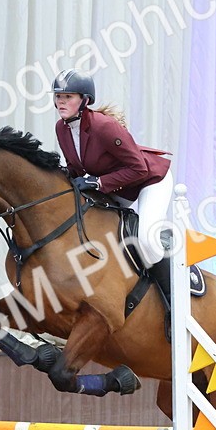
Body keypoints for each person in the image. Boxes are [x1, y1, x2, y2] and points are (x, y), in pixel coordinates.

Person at [52, 69, 175, 306]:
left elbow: (139, 168)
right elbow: (74, 168)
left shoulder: (103, 126)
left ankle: (171, 302)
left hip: (150, 180)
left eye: (68, 96)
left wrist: (98, 182)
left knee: (148, 240)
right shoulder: (62, 128)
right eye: (58, 96)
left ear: (84, 100)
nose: (61, 101)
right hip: (118, 186)